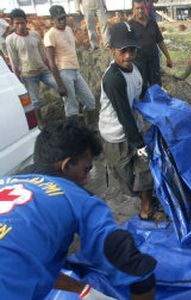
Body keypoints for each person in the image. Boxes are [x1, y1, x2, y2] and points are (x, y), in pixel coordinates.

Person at [0, 119, 156, 299]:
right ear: (66, 165)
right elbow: (134, 266)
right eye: (85, 170)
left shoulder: (5, 182)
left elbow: (26, 261)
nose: (86, 180)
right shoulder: (75, 197)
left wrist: (83, 290)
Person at [99, 22, 159, 221]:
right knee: (126, 178)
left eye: (132, 50)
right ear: (112, 49)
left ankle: (146, 206)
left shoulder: (137, 68)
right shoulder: (113, 79)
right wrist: (139, 144)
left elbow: (142, 95)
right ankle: (140, 201)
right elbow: (124, 116)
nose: (128, 56)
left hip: (134, 127)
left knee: (144, 169)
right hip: (115, 134)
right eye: (123, 51)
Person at [6, 8, 59, 127]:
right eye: (17, 23)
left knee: (60, 86)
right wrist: (18, 79)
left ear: (26, 21)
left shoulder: (34, 35)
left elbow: (44, 55)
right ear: (13, 24)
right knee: (35, 101)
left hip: (43, 70)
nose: (20, 26)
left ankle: (69, 110)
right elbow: (14, 62)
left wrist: (52, 70)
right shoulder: (11, 40)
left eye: (22, 22)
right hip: (28, 75)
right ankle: (40, 122)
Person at [44, 5, 96, 125]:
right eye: (59, 19)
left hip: (75, 71)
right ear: (53, 20)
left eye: (64, 18)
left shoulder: (68, 29)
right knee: (71, 107)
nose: (62, 21)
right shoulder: (50, 35)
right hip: (64, 72)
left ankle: (91, 128)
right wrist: (60, 85)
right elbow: (51, 63)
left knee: (90, 100)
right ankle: (74, 133)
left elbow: (74, 46)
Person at [129, 0, 173, 96]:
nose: (140, 10)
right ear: (134, 10)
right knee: (142, 89)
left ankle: (158, 107)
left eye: (142, 8)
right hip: (139, 64)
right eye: (137, 8)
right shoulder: (130, 25)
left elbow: (160, 41)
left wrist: (168, 58)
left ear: (146, 9)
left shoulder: (152, 23)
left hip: (154, 62)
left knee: (157, 87)